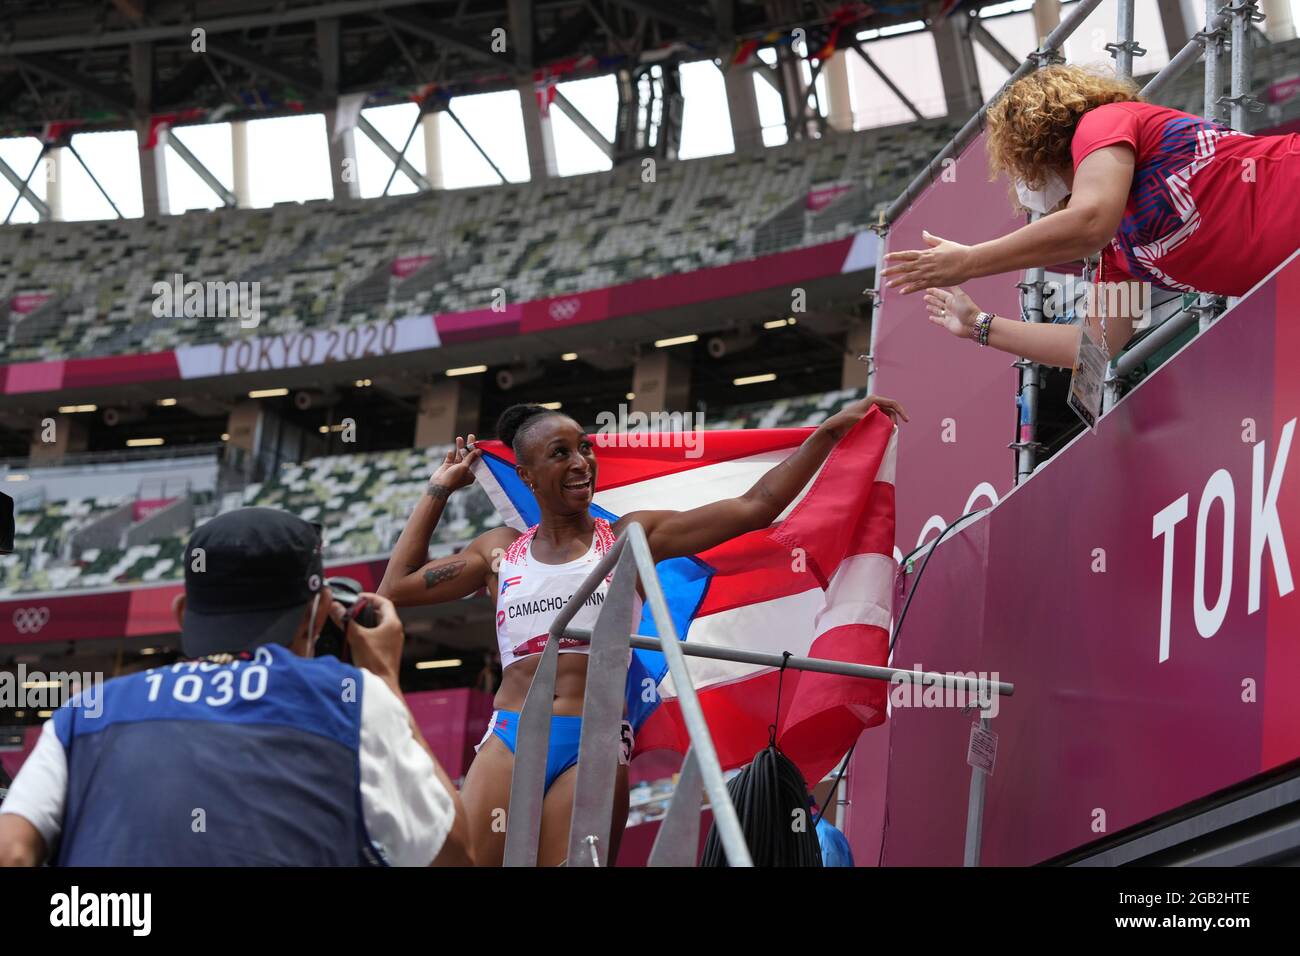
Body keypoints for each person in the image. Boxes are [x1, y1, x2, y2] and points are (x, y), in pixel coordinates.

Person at [378, 394, 909, 866]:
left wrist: (825, 435)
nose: (580, 462)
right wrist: (439, 489)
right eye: (559, 454)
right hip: (512, 732)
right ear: (527, 476)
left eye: (584, 447)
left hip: (595, 741)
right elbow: (395, 587)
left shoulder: (631, 536)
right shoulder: (498, 551)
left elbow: (757, 507)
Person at [0, 507, 472, 867]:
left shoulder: (87, 710)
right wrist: (385, 678)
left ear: (183, 615)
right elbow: (454, 852)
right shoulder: (352, 698)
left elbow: (13, 851)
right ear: (317, 614)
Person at [882, 65, 1300, 367]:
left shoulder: (1103, 123)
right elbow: (1096, 347)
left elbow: (1088, 219)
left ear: (1034, 144)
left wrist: (969, 261)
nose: (1021, 187)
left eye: (1014, 168)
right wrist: (979, 325)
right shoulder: (1117, 252)